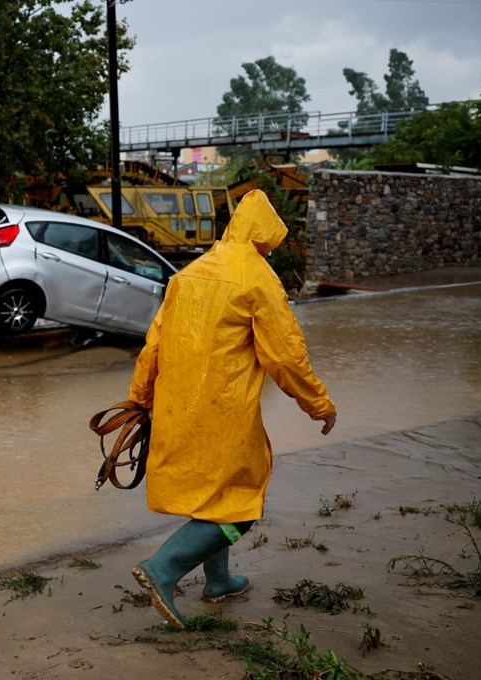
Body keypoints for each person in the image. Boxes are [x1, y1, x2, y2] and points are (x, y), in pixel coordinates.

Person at [126, 189, 337, 628]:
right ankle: (163, 568)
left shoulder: (189, 273)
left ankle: (218, 581)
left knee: (211, 499)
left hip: (175, 408)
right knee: (241, 507)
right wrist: (318, 404)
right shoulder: (257, 278)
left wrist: (139, 400)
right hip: (225, 413)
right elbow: (285, 357)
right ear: (267, 238)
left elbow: (154, 345)